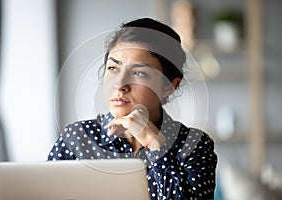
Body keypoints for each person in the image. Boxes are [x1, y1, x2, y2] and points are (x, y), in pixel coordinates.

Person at [48, 18, 217, 199]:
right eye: (113, 68)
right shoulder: (77, 138)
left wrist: (154, 142)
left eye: (139, 73)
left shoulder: (194, 146)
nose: (120, 84)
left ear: (170, 86)